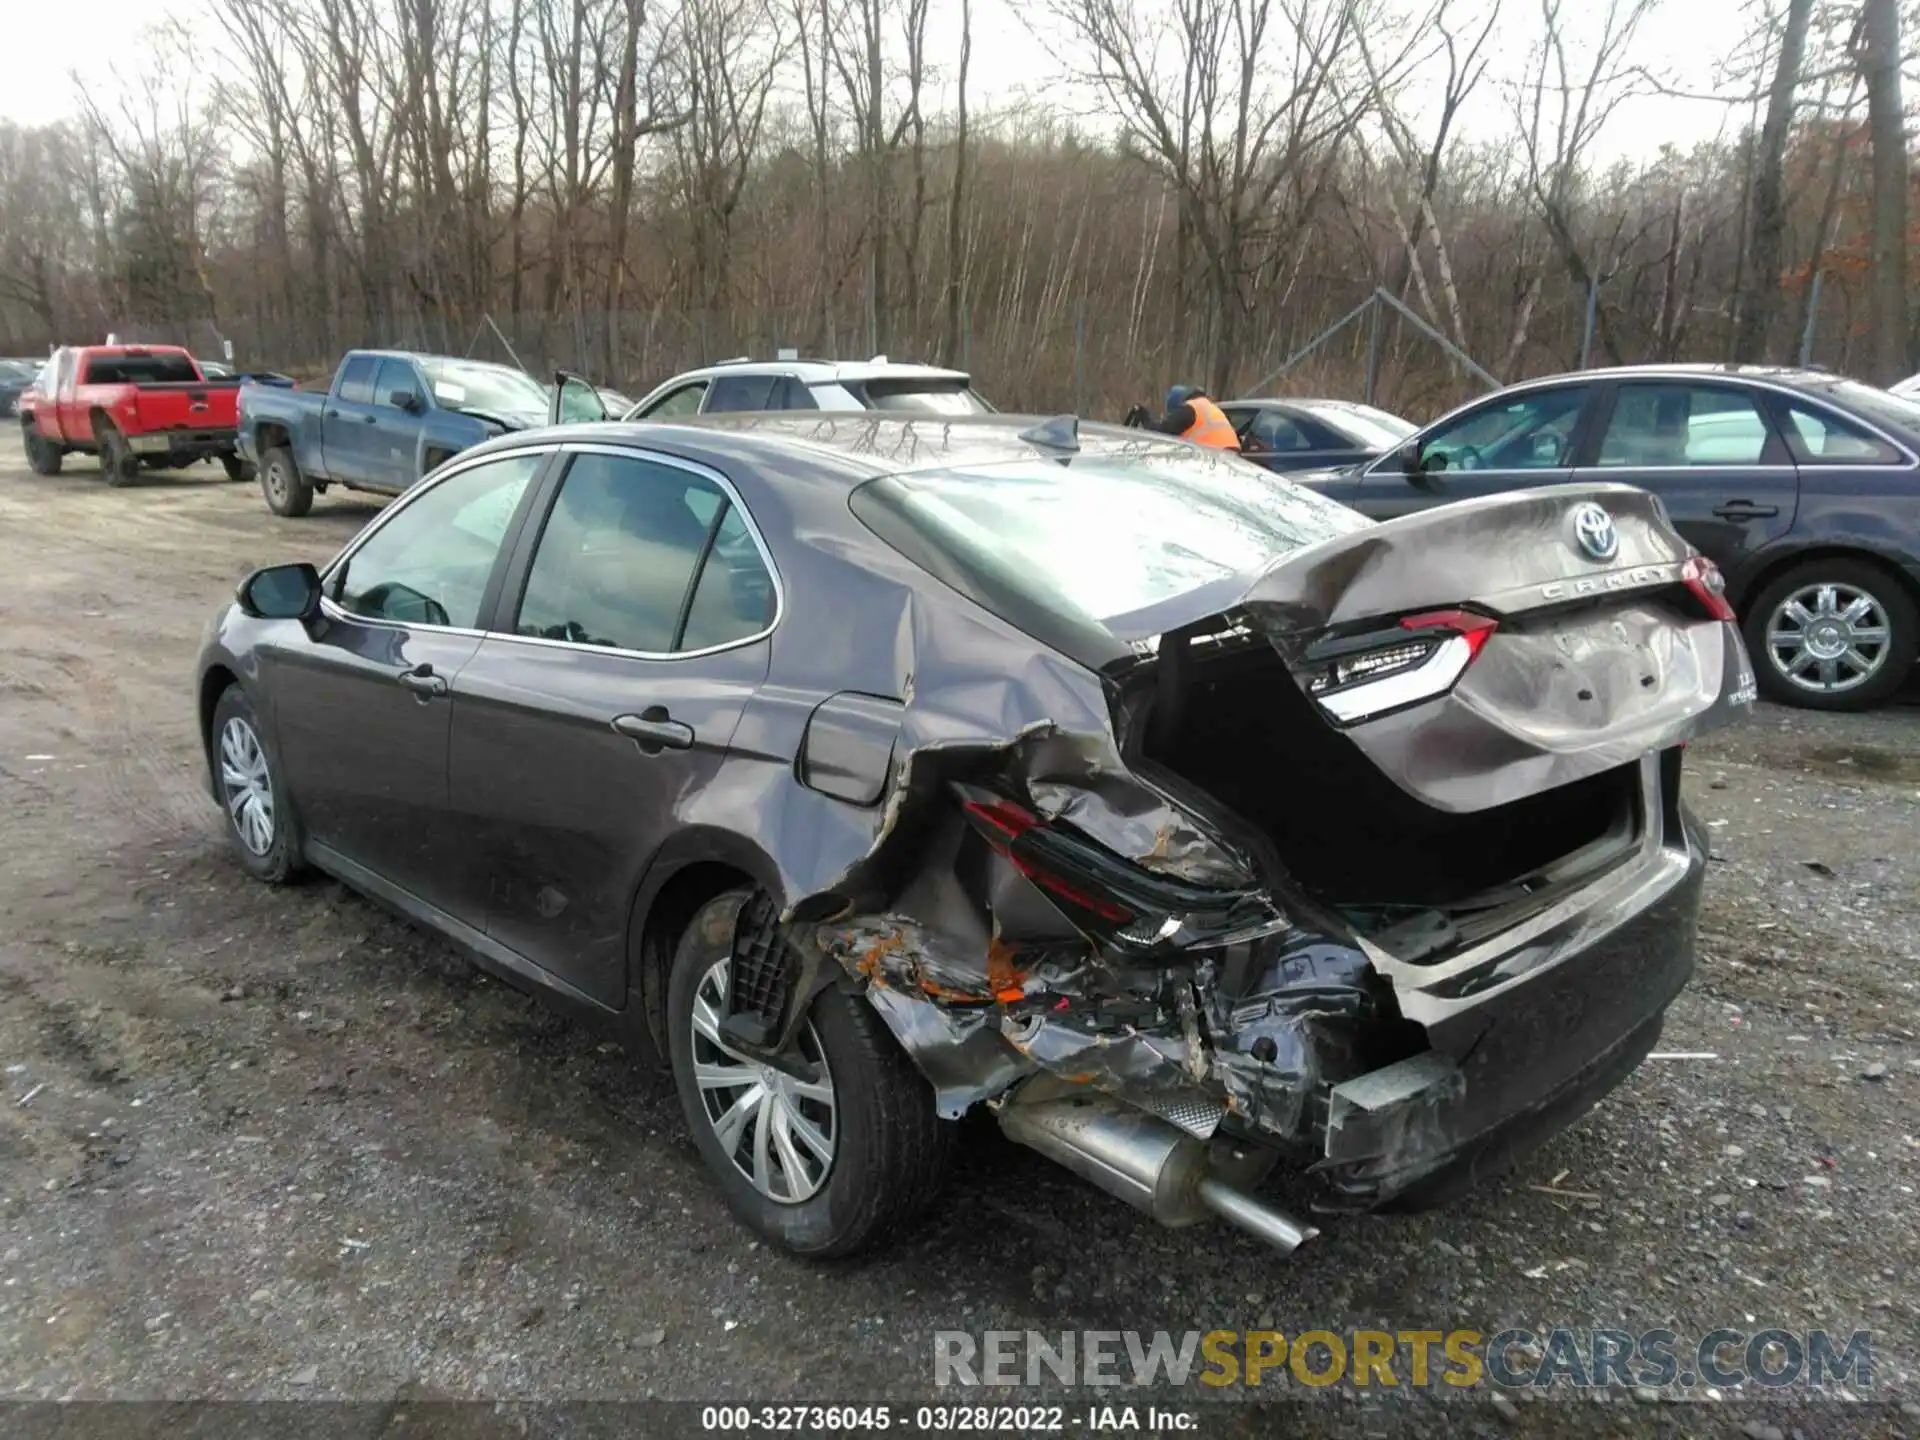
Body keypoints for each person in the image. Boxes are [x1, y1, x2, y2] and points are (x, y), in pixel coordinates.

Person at [1147, 384, 1240, 450]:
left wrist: (1146, 422)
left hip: (1212, 454)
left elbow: (1163, 431)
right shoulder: (1212, 407)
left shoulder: (1190, 408)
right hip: (1233, 455)